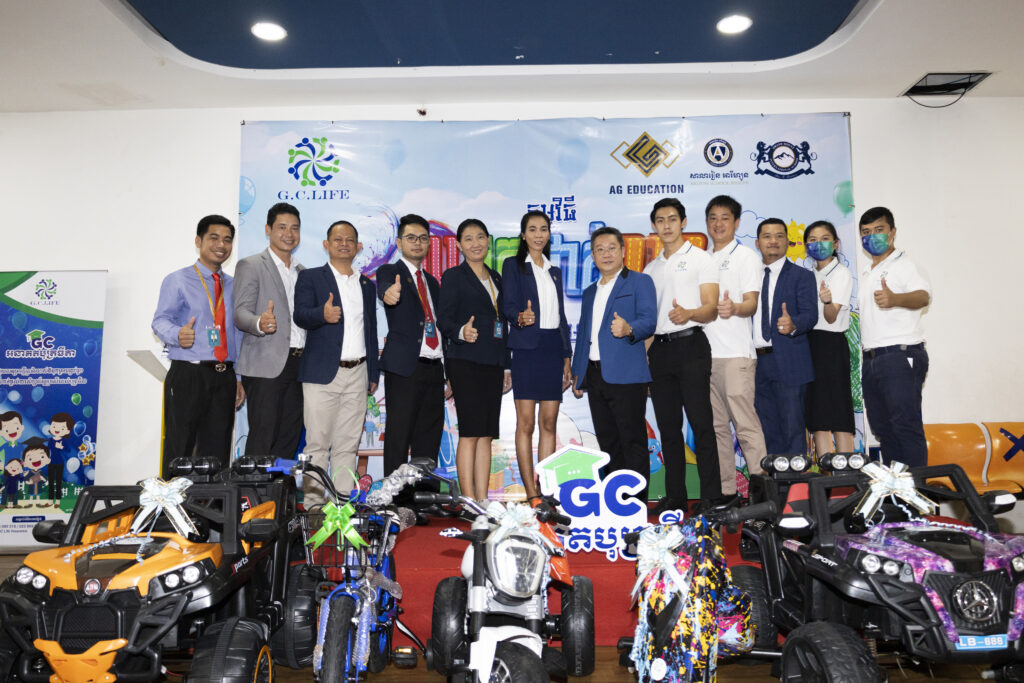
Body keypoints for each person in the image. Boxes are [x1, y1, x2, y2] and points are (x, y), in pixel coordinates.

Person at [643, 198, 724, 513]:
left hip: (691, 345)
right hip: (660, 351)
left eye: (672, 219)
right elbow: (650, 322)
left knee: (701, 424)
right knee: (668, 427)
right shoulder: (650, 269)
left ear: (683, 222)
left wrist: (688, 313)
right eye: (660, 220)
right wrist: (644, 358)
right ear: (654, 225)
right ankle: (675, 495)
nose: (667, 225)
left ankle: (710, 497)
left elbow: (711, 308)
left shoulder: (701, 259)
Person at [292, 220, 379, 503]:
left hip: (358, 372)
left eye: (349, 240)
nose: (344, 244)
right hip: (321, 374)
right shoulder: (311, 277)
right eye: (338, 239)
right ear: (326, 245)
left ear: (358, 247)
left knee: (348, 445)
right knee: (317, 444)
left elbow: (371, 330)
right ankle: (314, 508)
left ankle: (340, 507)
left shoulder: (366, 284)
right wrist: (322, 314)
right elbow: (300, 315)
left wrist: (373, 373)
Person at [152, 215, 244, 476]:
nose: (221, 245)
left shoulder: (234, 285)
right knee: (179, 447)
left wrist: (238, 377)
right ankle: (173, 501)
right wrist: (177, 334)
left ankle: (213, 503)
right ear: (198, 241)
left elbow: (237, 334)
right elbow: (160, 321)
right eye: (214, 238)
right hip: (189, 373)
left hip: (224, 376)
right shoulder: (178, 280)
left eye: (227, 239)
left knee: (217, 453)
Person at [571, 227, 657, 500]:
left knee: (632, 441)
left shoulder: (640, 282)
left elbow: (649, 321)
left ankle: (636, 504)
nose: (606, 254)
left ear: (622, 251)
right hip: (595, 376)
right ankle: (616, 502)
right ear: (593, 255)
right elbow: (584, 333)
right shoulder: (589, 292)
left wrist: (629, 328)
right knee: (608, 442)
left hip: (627, 375)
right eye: (600, 249)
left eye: (611, 248)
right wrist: (577, 372)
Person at [438, 219, 511, 503]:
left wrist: (507, 365)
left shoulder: (497, 278)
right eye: (468, 239)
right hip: (465, 361)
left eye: (480, 237)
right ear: (459, 245)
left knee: (486, 434)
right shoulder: (453, 276)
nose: (475, 243)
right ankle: (467, 500)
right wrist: (461, 332)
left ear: (488, 241)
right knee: (469, 432)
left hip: (493, 362)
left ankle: (483, 500)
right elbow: (444, 320)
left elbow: (503, 325)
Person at [501, 211, 572, 500]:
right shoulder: (513, 266)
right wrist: (520, 317)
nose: (538, 235)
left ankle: (546, 489)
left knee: (549, 423)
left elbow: (561, 316)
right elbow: (507, 306)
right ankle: (531, 492)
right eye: (532, 229)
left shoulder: (554, 271)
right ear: (523, 235)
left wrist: (566, 356)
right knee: (526, 423)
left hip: (553, 348)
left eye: (543, 229)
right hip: (527, 349)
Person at [703, 196, 767, 495]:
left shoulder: (746, 257)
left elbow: (752, 303)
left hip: (736, 356)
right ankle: (727, 494)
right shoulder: (702, 260)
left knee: (745, 425)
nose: (718, 224)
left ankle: (761, 492)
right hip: (705, 357)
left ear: (737, 222)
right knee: (717, 430)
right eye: (713, 218)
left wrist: (734, 308)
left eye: (725, 218)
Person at [858, 206, 931, 467]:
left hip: (900, 356)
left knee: (905, 427)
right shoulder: (868, 272)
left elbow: (923, 296)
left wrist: (895, 299)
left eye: (879, 230)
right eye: (866, 232)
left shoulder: (904, 264)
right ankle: (896, 489)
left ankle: (916, 489)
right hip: (872, 359)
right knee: (884, 429)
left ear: (892, 232)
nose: (872, 236)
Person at [233, 202, 305, 458]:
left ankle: (280, 486)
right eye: (282, 227)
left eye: (294, 228)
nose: (289, 234)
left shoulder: (303, 272)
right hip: (265, 364)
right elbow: (240, 313)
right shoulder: (251, 265)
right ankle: (254, 486)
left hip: (299, 365)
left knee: (290, 436)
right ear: (268, 230)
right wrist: (259, 323)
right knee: (263, 437)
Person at [377, 214, 447, 478]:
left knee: (429, 436)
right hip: (405, 368)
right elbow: (385, 288)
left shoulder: (433, 283)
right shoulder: (390, 272)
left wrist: (447, 371)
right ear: (399, 242)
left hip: (434, 367)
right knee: (399, 435)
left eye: (423, 238)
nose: (417, 243)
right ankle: (394, 497)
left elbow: (440, 326)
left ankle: (423, 495)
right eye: (411, 238)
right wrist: (389, 293)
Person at [752, 218, 818, 455]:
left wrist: (793, 324)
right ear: (758, 243)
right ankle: (775, 479)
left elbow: (811, 315)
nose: (773, 241)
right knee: (767, 430)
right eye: (767, 236)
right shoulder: (750, 276)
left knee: (792, 428)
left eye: (779, 236)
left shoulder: (802, 276)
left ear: (788, 242)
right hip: (756, 363)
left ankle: (795, 479)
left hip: (789, 361)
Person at [803, 220, 856, 455]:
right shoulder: (807, 276)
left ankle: (846, 466)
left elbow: (832, 317)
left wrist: (827, 301)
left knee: (838, 407)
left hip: (831, 345)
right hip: (809, 345)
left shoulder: (841, 273)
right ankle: (825, 466)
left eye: (824, 239)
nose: (818, 244)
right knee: (818, 410)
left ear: (835, 244)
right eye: (813, 240)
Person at [47, 412, 74, 506]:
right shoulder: (51, 440)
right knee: (51, 482)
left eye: (62, 428)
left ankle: (58, 501)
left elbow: (68, 450)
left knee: (58, 482)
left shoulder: (64, 441)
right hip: (51, 462)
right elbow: (48, 450)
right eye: (54, 426)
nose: (57, 429)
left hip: (60, 463)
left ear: (67, 431)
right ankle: (50, 500)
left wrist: (61, 447)